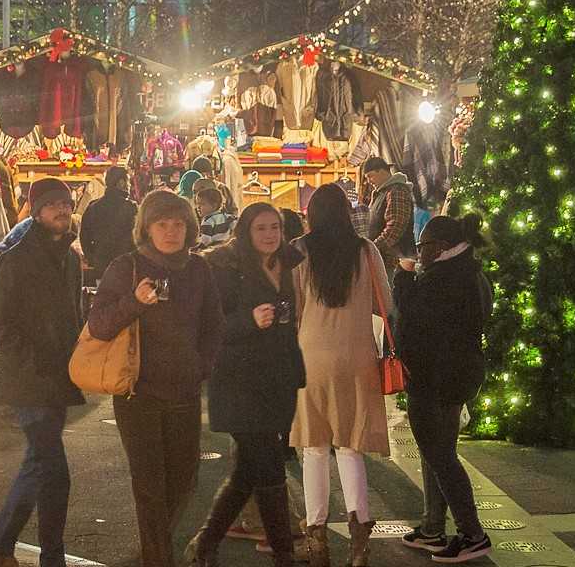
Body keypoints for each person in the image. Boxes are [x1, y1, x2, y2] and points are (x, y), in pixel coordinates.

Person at [87, 190, 223, 567]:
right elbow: (98, 325)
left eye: (178, 224)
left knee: (184, 482)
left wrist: (202, 366)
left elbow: (214, 324)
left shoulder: (198, 269)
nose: (171, 231)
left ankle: (153, 552)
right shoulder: (126, 267)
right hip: (138, 394)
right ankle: (157, 559)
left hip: (184, 392)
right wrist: (134, 301)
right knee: (149, 487)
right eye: (162, 224)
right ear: (146, 228)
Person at [189, 201, 305, 567]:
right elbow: (209, 327)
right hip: (239, 383)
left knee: (246, 473)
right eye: (261, 228)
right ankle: (284, 555)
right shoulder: (227, 268)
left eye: (275, 227)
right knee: (269, 467)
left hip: (277, 381)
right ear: (246, 231)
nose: (270, 235)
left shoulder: (290, 263)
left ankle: (205, 543)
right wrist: (248, 320)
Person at [0, 179, 85, 567]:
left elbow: (73, 316)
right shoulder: (17, 258)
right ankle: (51, 557)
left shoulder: (70, 259)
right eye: (53, 204)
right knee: (54, 471)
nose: (62, 209)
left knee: (37, 465)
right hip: (29, 380)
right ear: (37, 211)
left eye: (66, 203)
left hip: (59, 378)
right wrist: (31, 363)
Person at [290, 182, 390, 567]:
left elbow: (293, 307)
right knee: (350, 446)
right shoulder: (366, 250)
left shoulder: (299, 251)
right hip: (357, 357)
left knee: (314, 448)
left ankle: (316, 539)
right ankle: (360, 542)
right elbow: (386, 302)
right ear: (347, 214)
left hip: (311, 356)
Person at [392, 215, 494, 564]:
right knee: (438, 453)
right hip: (456, 376)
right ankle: (433, 527)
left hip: (434, 379)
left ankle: (472, 534)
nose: (419, 252)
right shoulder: (471, 274)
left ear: (441, 248)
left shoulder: (442, 279)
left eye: (423, 246)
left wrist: (403, 278)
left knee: (440, 456)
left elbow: (410, 319)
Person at [80, 166, 137, 284]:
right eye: (128, 181)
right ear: (121, 183)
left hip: (101, 265)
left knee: (103, 293)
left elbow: (84, 237)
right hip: (126, 266)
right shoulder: (131, 207)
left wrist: (92, 258)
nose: (130, 185)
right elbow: (138, 237)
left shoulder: (93, 207)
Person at [362, 160, 416, 265]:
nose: (368, 181)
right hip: (384, 258)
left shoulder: (397, 191)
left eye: (370, 176)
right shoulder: (382, 192)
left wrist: (373, 248)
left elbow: (395, 227)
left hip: (396, 260)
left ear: (382, 171)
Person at [195, 180, 236, 248]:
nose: (198, 207)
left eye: (202, 204)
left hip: (214, 250)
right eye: (197, 204)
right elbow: (236, 225)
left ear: (214, 206)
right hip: (227, 248)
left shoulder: (207, 221)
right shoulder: (227, 216)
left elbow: (205, 241)